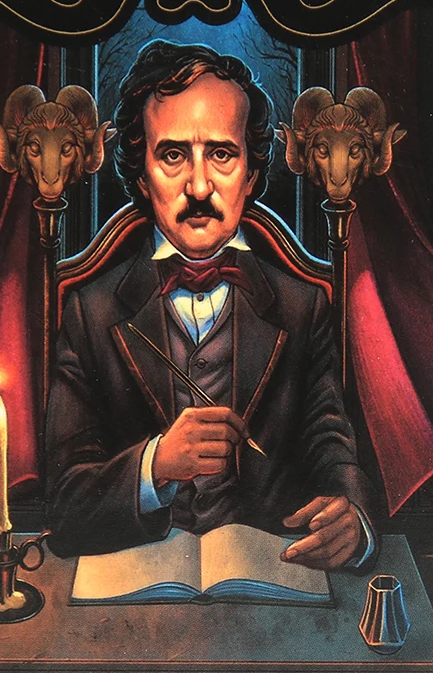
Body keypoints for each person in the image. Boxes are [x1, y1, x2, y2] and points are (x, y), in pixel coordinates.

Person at [45, 40, 379, 570]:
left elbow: (332, 452)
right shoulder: (91, 312)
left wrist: (353, 520)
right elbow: (64, 507)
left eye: (221, 154)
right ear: (141, 176)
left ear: (251, 174)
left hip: (272, 588)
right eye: (172, 155)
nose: (199, 186)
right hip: (130, 593)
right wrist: (155, 465)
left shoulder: (303, 308)